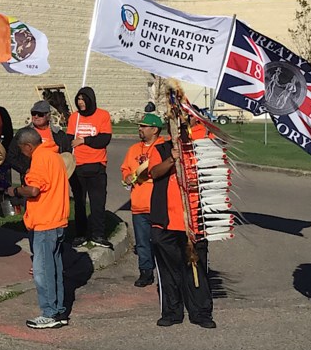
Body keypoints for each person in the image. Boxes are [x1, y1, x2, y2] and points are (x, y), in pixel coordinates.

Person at [148, 126, 217, 329]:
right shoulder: (161, 148)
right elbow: (154, 172)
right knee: (168, 271)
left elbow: (212, 177)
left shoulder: (201, 148)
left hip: (194, 221)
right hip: (165, 221)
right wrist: (172, 159)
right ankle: (171, 311)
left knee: (196, 268)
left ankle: (201, 312)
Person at [5, 129, 70, 329]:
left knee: (43, 270)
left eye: (22, 150)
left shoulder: (40, 159)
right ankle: (59, 311)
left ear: (28, 146)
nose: (22, 154)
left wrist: (15, 190)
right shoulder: (55, 156)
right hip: (58, 220)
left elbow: (33, 190)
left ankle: (49, 313)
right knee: (55, 268)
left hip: (44, 222)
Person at [121, 113, 166, 287]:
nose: (140, 129)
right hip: (138, 204)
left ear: (155, 130)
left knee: (160, 240)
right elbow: (125, 168)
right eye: (139, 126)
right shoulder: (133, 149)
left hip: (158, 204)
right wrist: (126, 176)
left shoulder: (163, 147)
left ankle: (165, 270)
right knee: (142, 242)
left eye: (144, 126)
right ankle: (145, 272)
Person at [67, 86, 114, 248]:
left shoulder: (103, 115)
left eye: (83, 99)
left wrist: (84, 141)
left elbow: (104, 139)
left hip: (97, 165)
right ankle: (80, 234)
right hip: (78, 166)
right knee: (79, 203)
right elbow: (69, 139)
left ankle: (98, 234)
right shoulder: (75, 117)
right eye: (78, 100)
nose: (80, 103)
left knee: (97, 202)